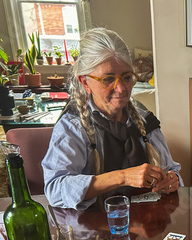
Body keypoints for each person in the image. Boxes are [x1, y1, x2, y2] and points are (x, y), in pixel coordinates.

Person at [42, 28, 183, 209]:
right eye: (108, 79)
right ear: (85, 82)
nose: (122, 89)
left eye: (126, 77)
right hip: (93, 229)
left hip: (146, 223)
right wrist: (122, 177)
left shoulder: (145, 121)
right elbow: (55, 190)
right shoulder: (73, 127)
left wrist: (171, 180)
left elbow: (173, 170)